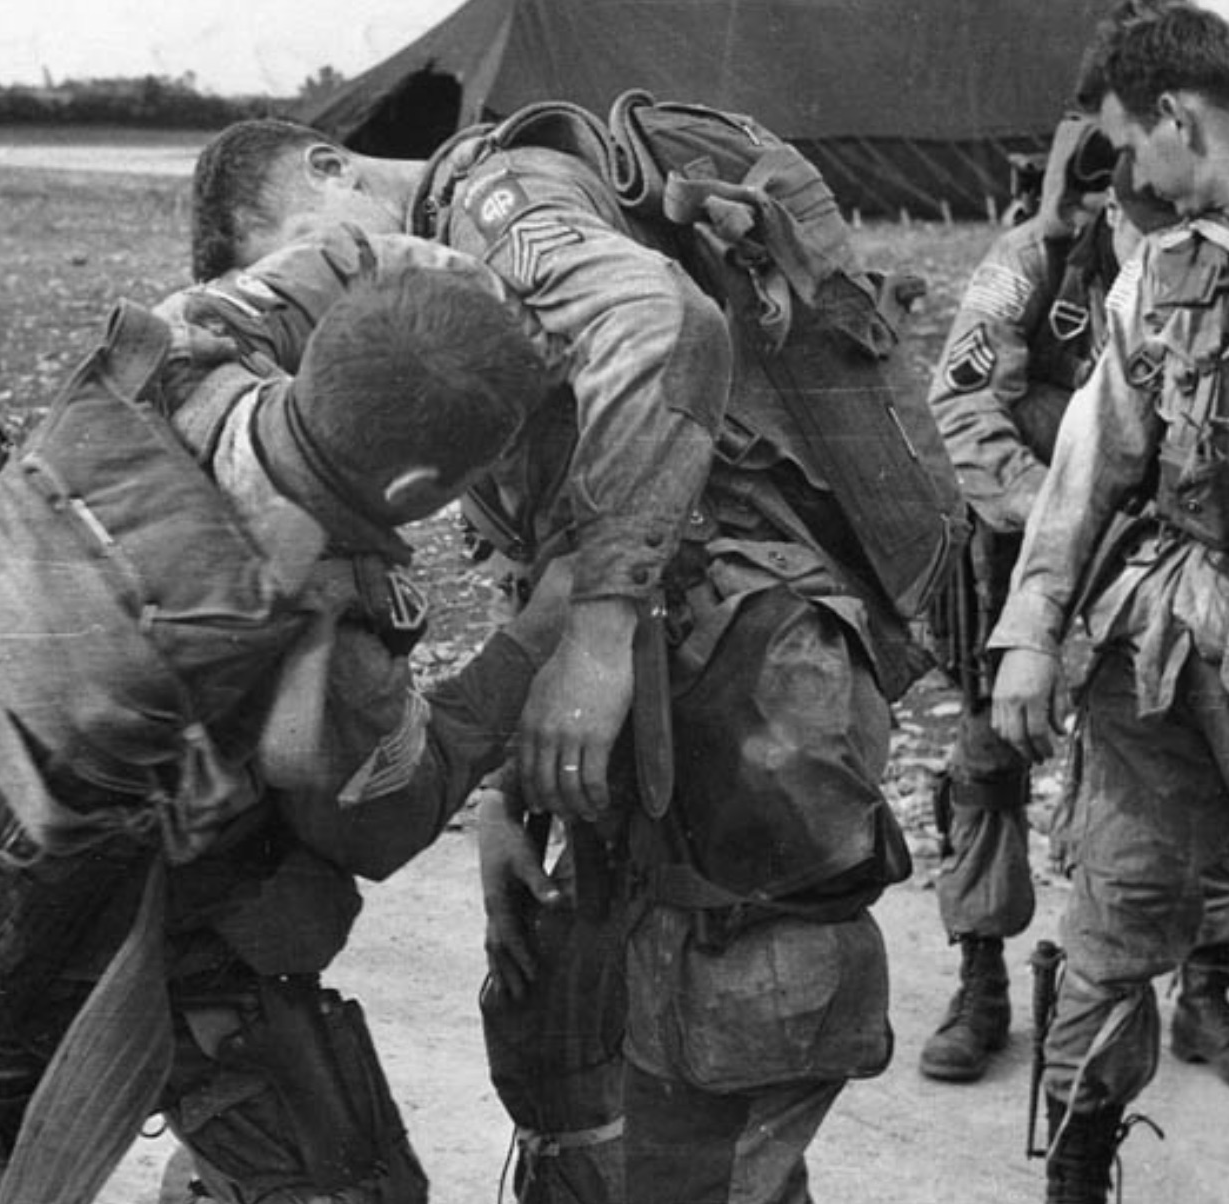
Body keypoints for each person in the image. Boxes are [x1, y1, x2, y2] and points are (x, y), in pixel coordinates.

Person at [183, 105, 946, 1204]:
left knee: (715, 1082)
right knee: (609, 1063)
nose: (324, 299)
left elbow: (664, 320)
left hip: (749, 683)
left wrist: (594, 633)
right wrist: (505, 788)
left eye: (302, 254)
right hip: (674, 678)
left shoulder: (501, 205)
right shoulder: (452, 292)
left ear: (330, 168)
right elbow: (541, 529)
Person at [0, 251, 567, 1204]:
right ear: (413, 491)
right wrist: (539, 638)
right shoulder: (339, 645)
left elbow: (309, 259)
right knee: (348, 1183)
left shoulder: (178, 360)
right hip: (119, 947)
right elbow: (381, 821)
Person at [988, 3, 1229, 1199]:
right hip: (1165, 634)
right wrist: (1030, 634)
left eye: (1127, 145)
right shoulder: (1161, 268)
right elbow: (1093, 458)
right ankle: (1077, 1165)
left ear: (1177, 117)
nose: (1126, 177)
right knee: (1110, 915)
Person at [921, 111, 1229, 1102]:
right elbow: (957, 400)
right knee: (988, 761)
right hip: (1021, 553)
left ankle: (1207, 978)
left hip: (1166, 575)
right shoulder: (1026, 265)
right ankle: (981, 977)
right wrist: (1057, 519)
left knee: (1197, 761)